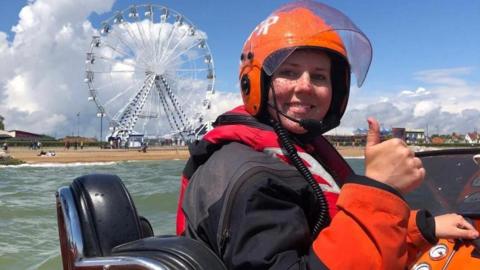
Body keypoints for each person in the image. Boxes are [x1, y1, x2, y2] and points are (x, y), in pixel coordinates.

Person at [176, 1, 478, 269]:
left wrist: (420, 228)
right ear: (254, 84)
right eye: (289, 72)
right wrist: (379, 189)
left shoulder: (295, 153)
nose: (305, 86)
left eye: (319, 76)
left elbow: (334, 233)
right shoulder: (251, 177)